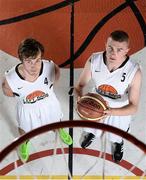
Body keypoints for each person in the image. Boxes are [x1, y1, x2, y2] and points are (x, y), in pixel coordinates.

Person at [75, 30, 142, 163]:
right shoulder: (94, 60)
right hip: (96, 102)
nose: (113, 53)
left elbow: (133, 107)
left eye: (119, 49)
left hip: (118, 108)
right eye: (110, 47)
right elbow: (79, 86)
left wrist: (111, 112)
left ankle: (118, 144)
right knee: (91, 125)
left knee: (116, 135)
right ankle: (91, 133)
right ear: (105, 44)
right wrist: (80, 100)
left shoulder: (134, 72)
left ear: (127, 50)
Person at [2, 38, 72, 162]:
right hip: (27, 110)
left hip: (49, 104)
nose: (34, 66)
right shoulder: (11, 78)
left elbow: (56, 75)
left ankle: (59, 129)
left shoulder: (50, 66)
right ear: (21, 60)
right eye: (29, 61)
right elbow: (7, 92)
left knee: (56, 120)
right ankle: (24, 142)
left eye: (37, 60)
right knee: (24, 129)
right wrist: (25, 97)